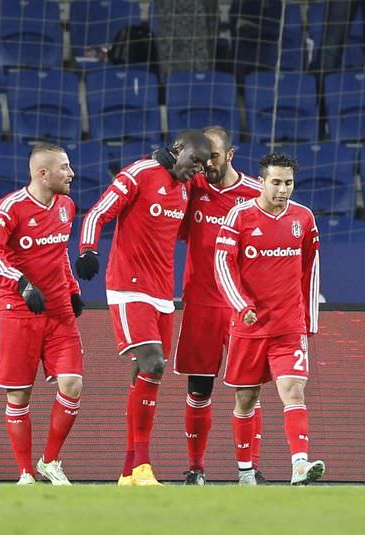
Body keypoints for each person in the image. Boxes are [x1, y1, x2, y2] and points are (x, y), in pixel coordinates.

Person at [76, 130, 210, 486]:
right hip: (128, 286)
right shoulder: (140, 173)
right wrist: (88, 249)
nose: (196, 169)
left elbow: (224, 184)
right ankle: (143, 466)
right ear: (177, 150)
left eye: (202, 165)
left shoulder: (187, 187)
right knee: (154, 363)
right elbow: (97, 212)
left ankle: (128, 471)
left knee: (146, 375)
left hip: (163, 293)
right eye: (194, 161)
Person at [0, 143, 84, 485]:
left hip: (59, 311)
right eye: (64, 167)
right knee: (19, 394)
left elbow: (60, 251)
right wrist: (21, 283)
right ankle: (25, 472)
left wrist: (73, 289)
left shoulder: (67, 206)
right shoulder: (11, 208)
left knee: (72, 384)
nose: (71, 174)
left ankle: (50, 461)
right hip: (19, 311)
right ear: (43, 173)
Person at [214, 152, 324, 486]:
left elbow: (310, 269)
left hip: (288, 326)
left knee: (293, 391)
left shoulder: (303, 218)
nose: (282, 189)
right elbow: (222, 264)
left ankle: (299, 464)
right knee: (246, 400)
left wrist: (309, 320)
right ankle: (246, 471)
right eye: (276, 182)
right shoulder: (240, 216)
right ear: (261, 182)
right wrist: (240, 305)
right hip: (249, 326)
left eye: (288, 182)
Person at [174, 126, 263, 485]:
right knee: (199, 390)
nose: (206, 164)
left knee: (249, 390)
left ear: (230, 155)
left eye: (213, 156)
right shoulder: (191, 188)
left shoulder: (256, 193)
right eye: (201, 157)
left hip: (242, 305)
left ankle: (250, 469)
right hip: (201, 302)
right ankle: (196, 469)